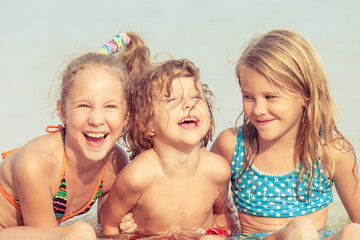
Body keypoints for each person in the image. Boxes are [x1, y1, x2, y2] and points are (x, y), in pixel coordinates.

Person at [210, 29, 360, 239]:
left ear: (305, 96)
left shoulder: (331, 151)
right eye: (248, 96)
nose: (258, 109)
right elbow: (206, 209)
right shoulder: (233, 145)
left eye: (270, 96)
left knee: (354, 231)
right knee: (301, 229)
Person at [0, 32, 150, 240]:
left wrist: (124, 224)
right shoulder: (37, 163)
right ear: (63, 112)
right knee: (81, 232)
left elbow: (107, 229)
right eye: (84, 105)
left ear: (127, 116)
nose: (97, 119)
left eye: (110, 106)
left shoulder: (113, 164)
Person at [101, 59, 236, 238]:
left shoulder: (218, 170)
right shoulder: (138, 177)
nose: (189, 105)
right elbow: (108, 227)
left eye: (196, 97)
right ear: (146, 123)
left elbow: (221, 218)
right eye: (172, 100)